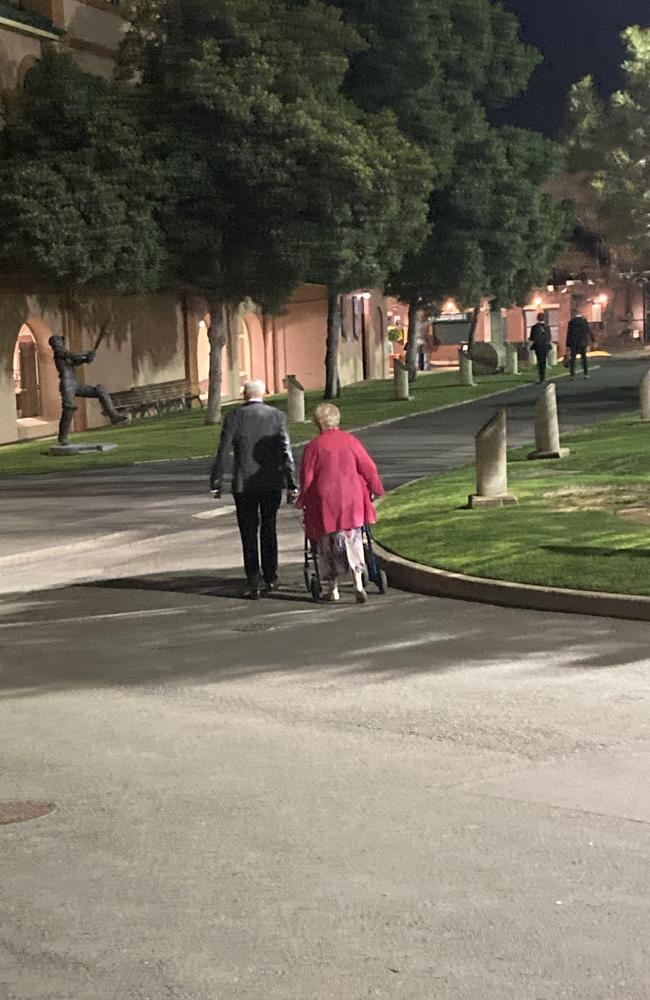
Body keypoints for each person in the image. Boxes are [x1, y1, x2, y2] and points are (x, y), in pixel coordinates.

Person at [210, 379, 297, 600]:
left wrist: (216, 480)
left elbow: (223, 451)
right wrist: (291, 481)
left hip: (243, 483)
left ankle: (253, 579)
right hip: (271, 481)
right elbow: (285, 450)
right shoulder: (277, 416)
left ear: (244, 394)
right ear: (264, 394)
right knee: (269, 527)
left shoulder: (234, 417)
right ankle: (270, 575)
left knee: (248, 531)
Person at [297, 403, 384, 604]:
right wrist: (376, 488)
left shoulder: (314, 447)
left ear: (317, 423)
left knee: (326, 542)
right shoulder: (350, 441)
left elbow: (307, 477)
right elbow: (369, 467)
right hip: (351, 499)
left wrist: (302, 498)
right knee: (353, 537)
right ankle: (358, 583)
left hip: (324, 500)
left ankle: (333, 588)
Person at [49, 335, 127, 446]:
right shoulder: (59, 353)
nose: (62, 343)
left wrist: (87, 358)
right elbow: (71, 356)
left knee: (101, 390)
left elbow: (76, 360)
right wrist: (86, 354)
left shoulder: (65, 354)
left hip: (75, 384)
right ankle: (63, 438)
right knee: (69, 409)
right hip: (67, 385)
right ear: (56, 343)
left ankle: (113, 416)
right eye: (60, 341)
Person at [566, 309, 596, 380]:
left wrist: (568, 344)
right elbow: (589, 331)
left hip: (574, 343)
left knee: (573, 359)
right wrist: (593, 340)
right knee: (584, 359)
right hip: (582, 342)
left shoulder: (571, 322)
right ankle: (586, 374)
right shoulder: (584, 321)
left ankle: (572, 375)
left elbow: (569, 334)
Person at [529, 312, 552, 384]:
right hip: (545, 346)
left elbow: (532, 338)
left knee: (539, 362)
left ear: (537, 318)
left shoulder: (534, 327)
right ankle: (543, 377)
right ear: (544, 318)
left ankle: (541, 378)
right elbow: (549, 338)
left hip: (538, 347)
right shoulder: (547, 327)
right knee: (544, 362)